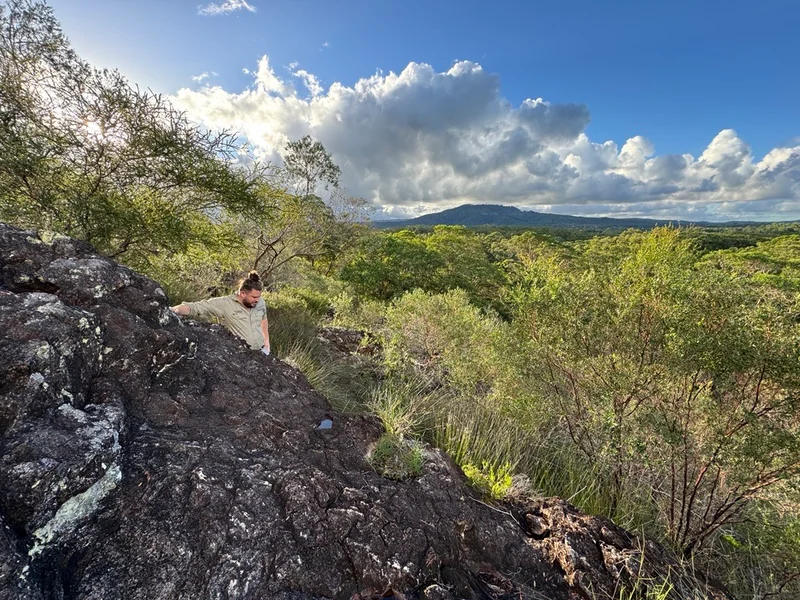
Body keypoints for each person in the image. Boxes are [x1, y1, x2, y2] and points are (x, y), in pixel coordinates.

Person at [170, 271, 270, 355]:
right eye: (254, 297)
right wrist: (172, 310)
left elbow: (263, 320)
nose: (257, 300)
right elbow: (196, 307)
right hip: (238, 355)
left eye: (259, 297)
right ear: (243, 293)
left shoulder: (260, 302)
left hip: (261, 353)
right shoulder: (224, 303)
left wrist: (267, 342)